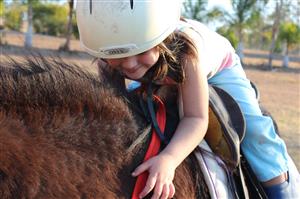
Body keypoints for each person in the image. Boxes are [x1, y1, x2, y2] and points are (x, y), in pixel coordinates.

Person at [76, 1, 300, 198]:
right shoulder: (108, 50)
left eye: (141, 51)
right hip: (159, 71)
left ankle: (282, 190)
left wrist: (169, 160)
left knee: (255, 132)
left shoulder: (186, 52)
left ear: (162, 39)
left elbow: (196, 118)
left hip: (219, 69)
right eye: (119, 57)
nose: (130, 65)